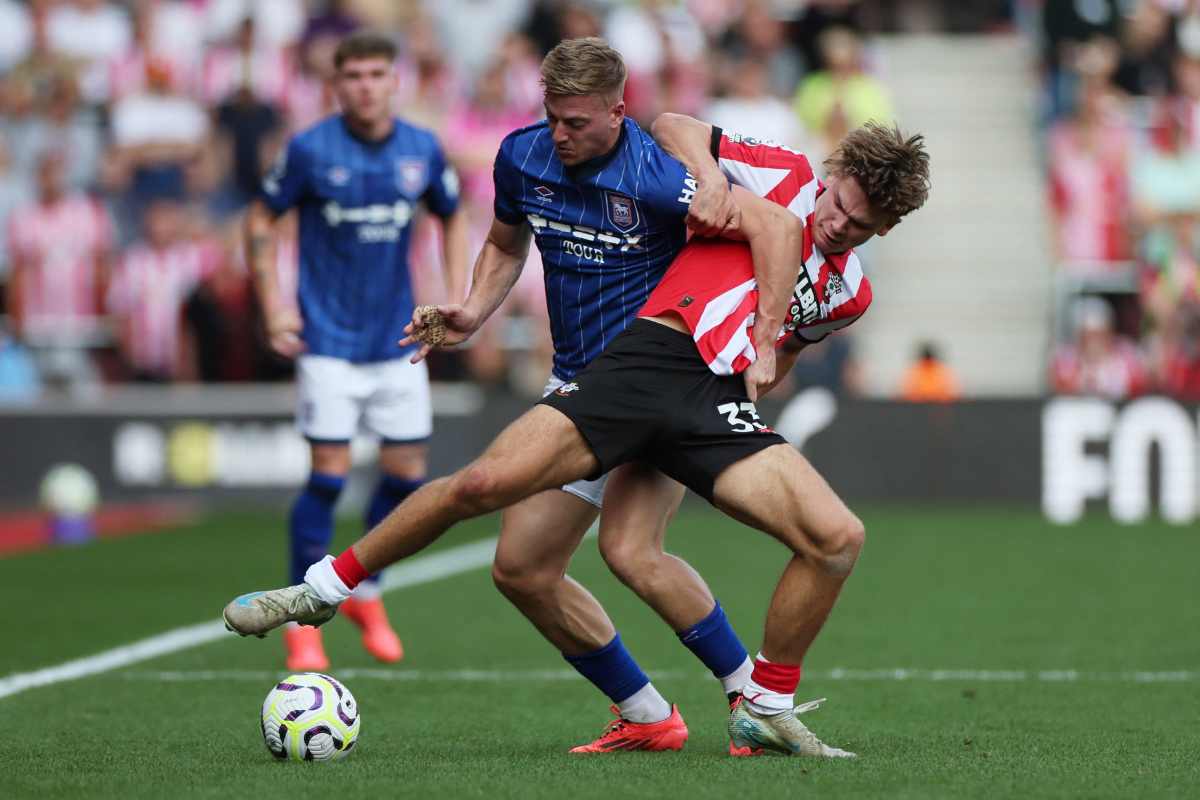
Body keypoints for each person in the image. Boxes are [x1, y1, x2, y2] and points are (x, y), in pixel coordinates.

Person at [225, 114, 931, 757]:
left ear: (886, 231)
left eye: (861, 225)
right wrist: (713, 181)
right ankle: (321, 590)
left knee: (831, 539)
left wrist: (757, 376)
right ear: (830, 176)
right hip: (642, 364)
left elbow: (788, 348)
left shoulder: (851, 294)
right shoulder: (784, 175)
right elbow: (675, 124)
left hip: (711, 402)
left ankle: (765, 703)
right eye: (838, 203)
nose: (838, 223)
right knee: (493, 508)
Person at [243, 32, 469, 672]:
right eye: (354, 76)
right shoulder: (312, 149)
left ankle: (366, 589)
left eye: (376, 74)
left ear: (394, 80)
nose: (366, 85)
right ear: (335, 85)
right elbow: (260, 218)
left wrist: (449, 296)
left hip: (396, 342)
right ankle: (298, 620)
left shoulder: (421, 148)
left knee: (406, 481)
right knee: (329, 478)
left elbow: (452, 215)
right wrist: (273, 304)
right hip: (329, 343)